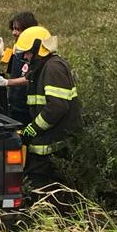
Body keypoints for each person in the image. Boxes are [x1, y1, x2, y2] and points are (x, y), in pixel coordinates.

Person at [13, 25, 82, 190]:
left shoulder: (53, 68)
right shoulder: (42, 68)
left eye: (28, 52)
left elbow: (57, 107)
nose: (25, 56)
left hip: (54, 146)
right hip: (47, 145)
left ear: (39, 49)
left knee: (42, 190)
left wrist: (33, 129)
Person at [0, 11, 38, 126]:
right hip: (15, 104)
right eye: (13, 29)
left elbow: (31, 77)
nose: (14, 33)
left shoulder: (37, 51)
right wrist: (1, 53)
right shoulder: (18, 47)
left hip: (28, 108)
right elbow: (13, 66)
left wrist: (7, 82)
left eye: (18, 29)